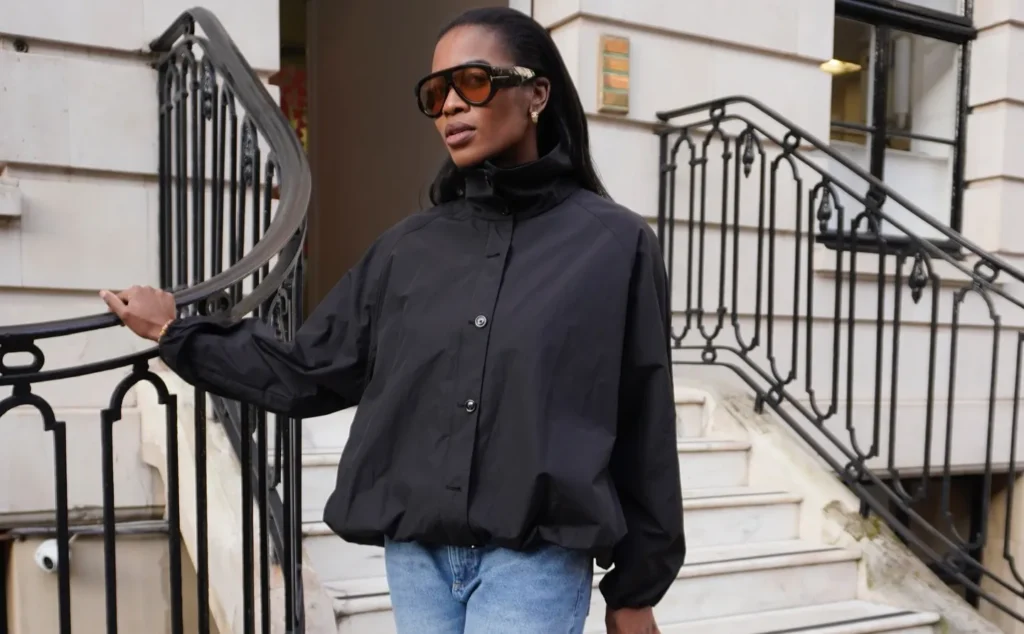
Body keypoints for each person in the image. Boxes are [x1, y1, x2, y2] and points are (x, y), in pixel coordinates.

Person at [101, 6, 684, 634]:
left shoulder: (614, 245)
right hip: (418, 558)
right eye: (436, 94)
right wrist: (178, 332)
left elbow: (644, 419)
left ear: (536, 94)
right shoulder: (407, 250)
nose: (451, 106)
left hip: (534, 560)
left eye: (473, 82)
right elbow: (308, 371)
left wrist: (634, 589)